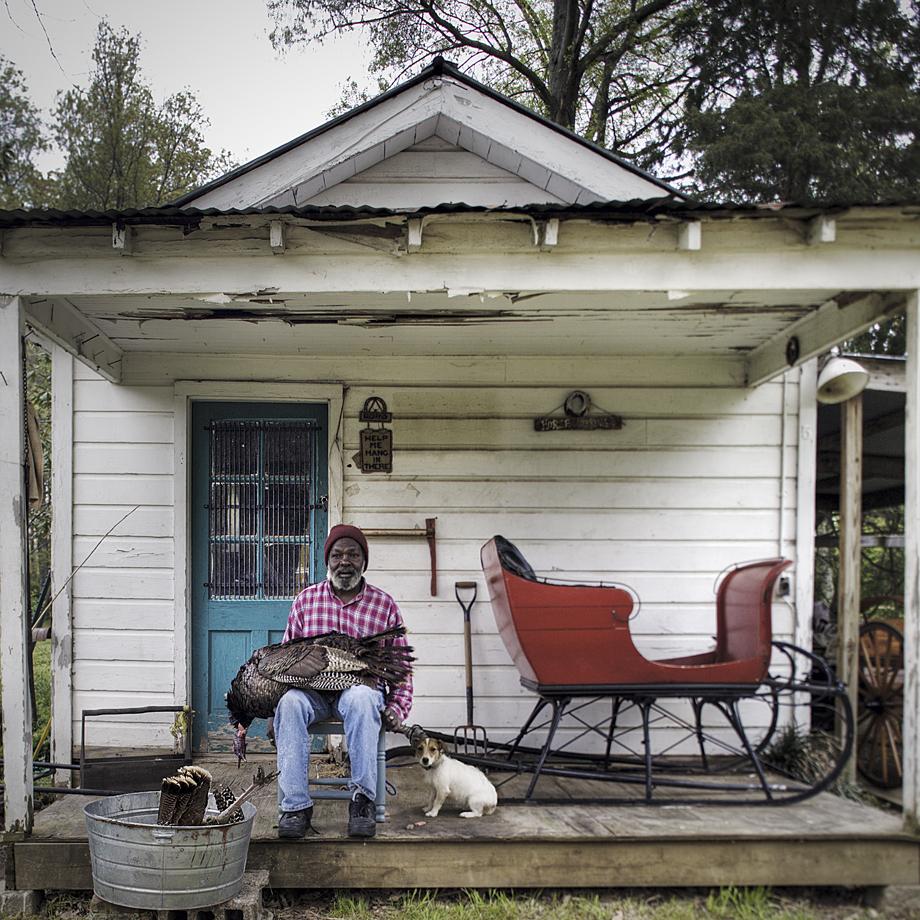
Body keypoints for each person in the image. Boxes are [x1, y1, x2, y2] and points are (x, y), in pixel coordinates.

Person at [274, 523, 413, 839]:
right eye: (337, 554)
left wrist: (398, 708)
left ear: (364, 561)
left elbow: (401, 667)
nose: (344, 561)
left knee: (363, 698)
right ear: (327, 561)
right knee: (290, 703)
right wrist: (274, 711)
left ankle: (361, 800)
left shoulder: (384, 605)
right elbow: (284, 658)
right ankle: (296, 807)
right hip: (313, 693)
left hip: (357, 691)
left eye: (353, 554)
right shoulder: (306, 602)